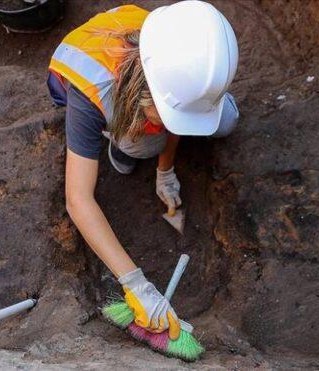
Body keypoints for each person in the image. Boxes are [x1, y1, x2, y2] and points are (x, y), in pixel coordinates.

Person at [47, 1, 239, 341]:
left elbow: (176, 112)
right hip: (94, 81)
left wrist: (165, 171)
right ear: (142, 93)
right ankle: (119, 140)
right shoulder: (90, 95)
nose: (171, 124)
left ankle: (154, 136)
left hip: (150, 88)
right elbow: (78, 200)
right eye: (165, 113)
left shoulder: (180, 53)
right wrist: (135, 283)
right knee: (143, 144)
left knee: (225, 120)